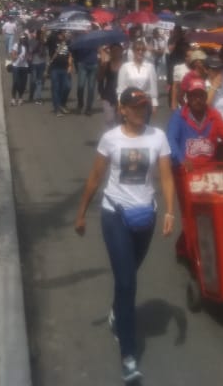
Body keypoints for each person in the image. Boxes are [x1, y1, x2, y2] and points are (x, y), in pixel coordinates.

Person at [74, 87, 175, 384]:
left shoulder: (158, 137)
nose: (141, 111)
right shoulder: (111, 139)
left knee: (127, 276)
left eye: (144, 106)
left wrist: (170, 211)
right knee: (128, 282)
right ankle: (129, 357)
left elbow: (166, 175)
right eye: (135, 106)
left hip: (146, 217)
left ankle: (117, 311)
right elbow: (95, 177)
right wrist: (81, 213)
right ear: (123, 110)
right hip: (114, 214)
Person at [167, 71, 223, 261]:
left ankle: (189, 248)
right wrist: (182, 160)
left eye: (201, 95)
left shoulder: (213, 115)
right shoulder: (179, 116)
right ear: (187, 98)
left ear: (205, 97)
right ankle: (192, 255)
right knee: (190, 214)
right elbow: (171, 141)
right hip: (186, 174)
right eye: (193, 96)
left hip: (208, 174)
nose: (198, 99)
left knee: (208, 214)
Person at [117, 40, 159, 111]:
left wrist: (154, 103)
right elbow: (121, 88)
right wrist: (120, 103)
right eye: (138, 50)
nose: (140, 52)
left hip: (145, 102)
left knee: (145, 122)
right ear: (133, 51)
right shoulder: (125, 67)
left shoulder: (150, 67)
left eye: (143, 50)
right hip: (130, 103)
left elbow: (153, 86)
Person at [97, 43, 124, 127]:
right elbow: (99, 79)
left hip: (122, 97)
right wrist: (102, 67)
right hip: (108, 96)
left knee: (120, 120)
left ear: (121, 51)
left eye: (118, 50)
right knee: (109, 120)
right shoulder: (106, 64)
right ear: (111, 52)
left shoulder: (126, 65)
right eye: (113, 51)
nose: (116, 52)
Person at [48, 30, 74, 116]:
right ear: (60, 33)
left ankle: (62, 103)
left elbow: (70, 54)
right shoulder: (52, 40)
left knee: (67, 86)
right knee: (56, 88)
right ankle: (57, 109)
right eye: (64, 32)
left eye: (66, 33)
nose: (66, 34)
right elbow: (43, 40)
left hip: (65, 68)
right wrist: (44, 31)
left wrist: (70, 65)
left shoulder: (68, 42)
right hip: (55, 68)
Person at [74, 36, 100, 115]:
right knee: (80, 86)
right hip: (83, 64)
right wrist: (77, 60)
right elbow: (74, 50)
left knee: (91, 88)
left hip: (93, 64)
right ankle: (80, 104)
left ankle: (89, 108)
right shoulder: (79, 40)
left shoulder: (95, 40)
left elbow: (98, 50)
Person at [9, 33, 31, 106]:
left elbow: (29, 57)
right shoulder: (16, 45)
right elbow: (13, 56)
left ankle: (20, 98)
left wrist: (28, 58)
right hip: (16, 66)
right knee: (16, 82)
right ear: (20, 39)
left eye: (24, 38)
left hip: (24, 67)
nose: (23, 40)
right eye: (22, 38)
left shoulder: (27, 46)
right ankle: (13, 98)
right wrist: (18, 56)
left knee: (23, 84)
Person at [28, 30, 48, 105]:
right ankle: (31, 95)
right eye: (41, 34)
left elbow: (46, 53)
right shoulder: (32, 41)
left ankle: (38, 98)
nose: (41, 36)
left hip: (41, 63)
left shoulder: (44, 43)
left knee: (39, 81)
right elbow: (30, 51)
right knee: (33, 81)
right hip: (33, 63)